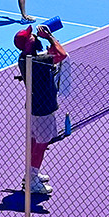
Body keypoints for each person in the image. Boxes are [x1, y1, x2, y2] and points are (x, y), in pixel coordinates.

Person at [14, 21, 68, 196]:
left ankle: (30, 175)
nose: (34, 36)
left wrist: (46, 39)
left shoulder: (26, 58)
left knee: (35, 143)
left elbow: (51, 54)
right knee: (41, 145)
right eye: (31, 36)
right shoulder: (38, 61)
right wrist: (50, 37)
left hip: (34, 107)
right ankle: (31, 181)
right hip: (43, 110)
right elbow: (61, 54)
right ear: (28, 44)